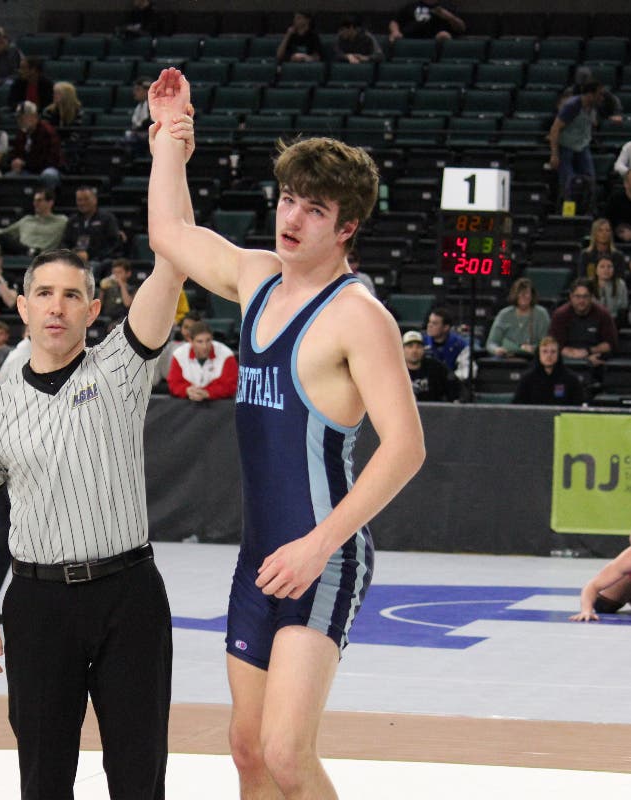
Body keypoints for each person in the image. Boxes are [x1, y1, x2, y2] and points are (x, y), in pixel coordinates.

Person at [147, 67, 426, 799]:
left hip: (323, 557)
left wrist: (318, 543)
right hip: (261, 557)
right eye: (286, 200)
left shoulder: (358, 317)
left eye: (314, 209)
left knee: (284, 753)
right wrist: (171, 140)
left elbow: (405, 448)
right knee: (244, 750)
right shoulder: (257, 278)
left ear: (346, 227)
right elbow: (171, 234)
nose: (292, 218)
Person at [0, 110, 197, 798]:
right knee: (44, 779)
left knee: (138, 775)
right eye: (43, 294)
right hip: (35, 604)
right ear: (21, 307)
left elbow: (174, 258)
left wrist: (168, 151)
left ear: (95, 311)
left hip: (129, 597)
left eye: (72, 295)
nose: (56, 306)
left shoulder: (119, 366)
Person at [548, 80, 602, 204]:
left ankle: (588, 209)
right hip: (566, 146)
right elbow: (555, 129)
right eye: (599, 94)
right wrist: (554, 154)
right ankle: (567, 214)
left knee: (590, 179)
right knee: (568, 183)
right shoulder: (572, 106)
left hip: (582, 146)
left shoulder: (593, 107)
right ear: (590, 95)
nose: (601, 97)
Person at [548, 278, 618, 366]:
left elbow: (610, 344)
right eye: (577, 296)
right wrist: (579, 358)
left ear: (592, 297)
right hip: (566, 361)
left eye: (585, 296)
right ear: (571, 296)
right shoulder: (560, 315)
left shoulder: (603, 314)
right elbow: (553, 344)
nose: (581, 301)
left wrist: (588, 351)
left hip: (594, 359)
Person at [166, 321, 239, 402]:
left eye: (208, 340)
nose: (205, 346)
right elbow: (174, 384)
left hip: (218, 406)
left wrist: (207, 393)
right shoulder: (179, 355)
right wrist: (187, 390)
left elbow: (230, 386)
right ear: (190, 340)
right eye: (200, 341)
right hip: (186, 405)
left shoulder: (226, 355)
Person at [61, 186, 124, 276]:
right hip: (74, 259)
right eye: (79, 200)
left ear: (95, 200)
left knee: (92, 267)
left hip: (98, 260)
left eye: (86, 199)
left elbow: (113, 244)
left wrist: (89, 254)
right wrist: (73, 254)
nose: (82, 203)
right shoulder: (72, 221)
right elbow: (64, 243)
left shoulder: (107, 219)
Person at [0, 188, 67, 255]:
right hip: (22, 253)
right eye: (34, 200)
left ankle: (32, 251)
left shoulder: (62, 221)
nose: (35, 203)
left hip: (45, 257)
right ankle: (30, 251)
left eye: (39, 200)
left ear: (50, 203)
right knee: (2, 238)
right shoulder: (27, 220)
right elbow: (3, 232)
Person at [485, 277, 550, 358]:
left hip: (532, 358)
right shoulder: (504, 314)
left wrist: (534, 348)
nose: (522, 296)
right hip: (507, 357)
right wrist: (497, 350)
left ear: (532, 295)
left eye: (526, 293)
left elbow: (547, 343)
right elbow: (491, 344)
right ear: (514, 295)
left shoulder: (541, 314)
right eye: (519, 293)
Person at [511, 336, 585, 406]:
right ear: (538, 354)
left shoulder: (571, 379)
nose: (549, 355)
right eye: (544, 351)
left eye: (553, 352)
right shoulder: (527, 379)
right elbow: (517, 407)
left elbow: (577, 407)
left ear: (558, 354)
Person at [10, 101, 62, 192]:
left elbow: (51, 158)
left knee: (49, 176)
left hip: (47, 168)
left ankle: (47, 202)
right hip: (27, 169)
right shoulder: (22, 133)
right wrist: (15, 161)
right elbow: (16, 153)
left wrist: (25, 163)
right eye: (19, 118)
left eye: (24, 118)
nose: (21, 121)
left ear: (34, 117)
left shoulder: (47, 131)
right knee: (8, 178)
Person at [423, 306, 471, 381]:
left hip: (451, 385)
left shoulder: (460, 345)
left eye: (434, 323)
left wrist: (451, 377)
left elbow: (467, 370)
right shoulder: (421, 342)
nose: (429, 325)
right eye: (429, 322)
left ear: (446, 327)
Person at [403, 330, 452, 401]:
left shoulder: (436, 368)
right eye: (410, 347)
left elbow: (454, 388)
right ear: (402, 349)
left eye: (418, 347)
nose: (414, 350)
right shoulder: (395, 369)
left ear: (423, 349)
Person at [388, 1, 465, 42]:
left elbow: (461, 28)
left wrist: (450, 17)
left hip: (437, 42)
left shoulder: (447, 6)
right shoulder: (411, 6)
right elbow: (394, 22)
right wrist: (395, 32)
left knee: (444, 35)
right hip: (410, 41)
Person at [594, 254, 630, 322]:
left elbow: (623, 308)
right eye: (602, 266)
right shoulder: (588, 285)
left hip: (614, 321)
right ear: (596, 270)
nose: (606, 269)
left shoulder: (620, 284)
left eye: (609, 266)